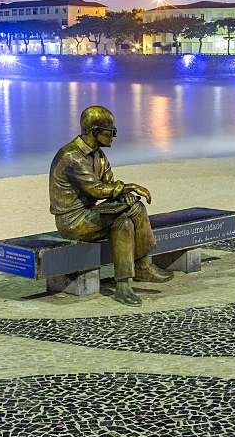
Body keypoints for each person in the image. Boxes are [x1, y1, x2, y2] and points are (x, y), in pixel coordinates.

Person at [49, 105, 173, 306]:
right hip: (72, 221)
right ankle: (141, 267)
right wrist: (128, 188)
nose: (114, 136)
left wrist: (124, 196)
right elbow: (97, 190)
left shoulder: (98, 155)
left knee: (124, 222)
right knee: (135, 210)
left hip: (90, 214)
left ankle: (124, 286)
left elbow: (109, 184)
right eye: (112, 132)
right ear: (96, 131)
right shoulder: (71, 156)